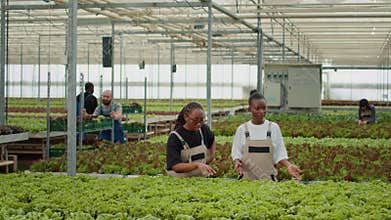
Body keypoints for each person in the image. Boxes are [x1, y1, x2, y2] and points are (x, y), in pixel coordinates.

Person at [231, 92, 301, 181]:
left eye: (264, 108)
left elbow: (279, 153)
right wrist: (237, 162)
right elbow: (236, 153)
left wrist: (289, 166)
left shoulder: (273, 128)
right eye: (257, 108)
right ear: (249, 109)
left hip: (268, 182)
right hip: (246, 182)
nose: (261, 111)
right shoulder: (242, 129)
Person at [166, 102, 216, 177]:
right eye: (195, 120)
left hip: (200, 176)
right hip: (180, 178)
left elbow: (212, 139)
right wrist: (197, 165)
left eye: (201, 120)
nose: (199, 124)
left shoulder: (203, 130)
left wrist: (211, 156)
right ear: (186, 117)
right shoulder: (175, 137)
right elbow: (175, 166)